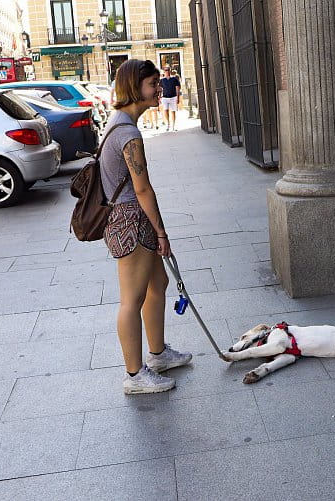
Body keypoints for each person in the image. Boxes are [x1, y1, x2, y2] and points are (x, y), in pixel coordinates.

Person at [101, 59, 192, 394]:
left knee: (159, 282)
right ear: (134, 87)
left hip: (132, 218)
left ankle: (158, 354)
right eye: (153, 84)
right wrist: (162, 232)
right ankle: (135, 376)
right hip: (129, 220)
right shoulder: (128, 133)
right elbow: (142, 188)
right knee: (132, 298)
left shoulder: (121, 123)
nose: (159, 89)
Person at [159, 65, 181, 131]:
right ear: (164, 72)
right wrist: (159, 97)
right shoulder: (162, 80)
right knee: (165, 111)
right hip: (165, 98)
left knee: (173, 111)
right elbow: (160, 89)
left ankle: (174, 125)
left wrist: (178, 97)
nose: (167, 71)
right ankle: (168, 124)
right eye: (165, 70)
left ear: (170, 71)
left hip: (173, 97)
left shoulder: (174, 79)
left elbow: (177, 88)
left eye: (168, 70)